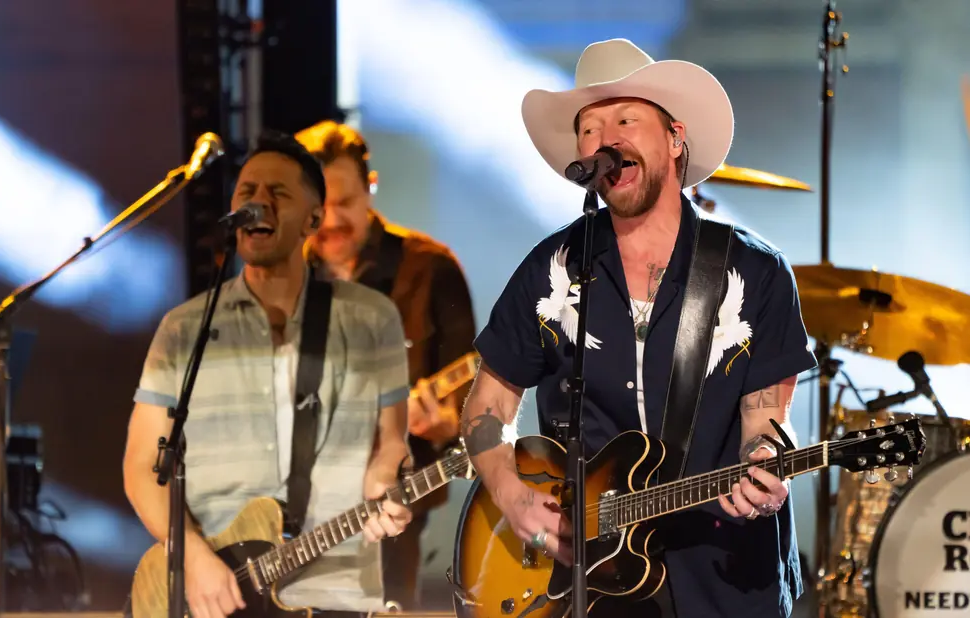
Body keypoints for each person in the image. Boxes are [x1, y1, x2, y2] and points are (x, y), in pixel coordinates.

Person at [459, 39, 818, 617]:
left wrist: (763, 463)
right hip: (589, 584)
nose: (605, 140)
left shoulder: (752, 272)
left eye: (625, 118)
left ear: (676, 138)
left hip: (723, 577)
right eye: (589, 129)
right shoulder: (551, 270)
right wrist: (510, 492)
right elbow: (488, 406)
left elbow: (765, 416)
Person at [122, 130, 414, 618]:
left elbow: (392, 442)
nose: (258, 204)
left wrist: (386, 480)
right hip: (210, 594)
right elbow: (141, 468)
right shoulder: (184, 328)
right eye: (247, 193)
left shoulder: (372, 318)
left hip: (332, 590)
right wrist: (193, 558)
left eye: (278, 195)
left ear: (313, 219)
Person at [295, 120, 477, 610]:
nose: (331, 220)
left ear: (370, 188)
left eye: (346, 203)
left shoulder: (429, 269)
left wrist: (443, 429)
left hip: (391, 511)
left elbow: (480, 409)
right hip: (295, 511)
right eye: (319, 208)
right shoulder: (283, 279)